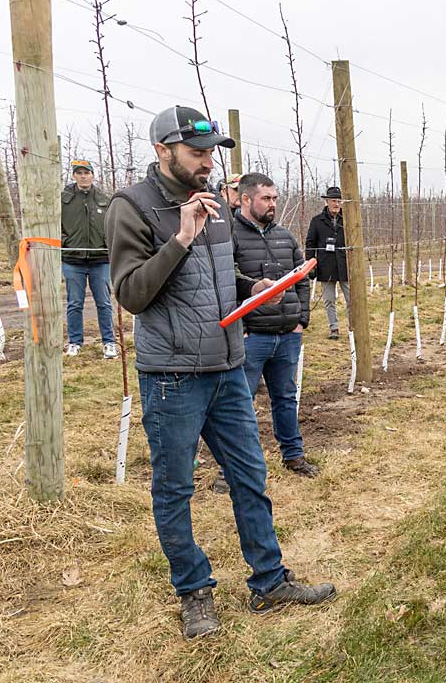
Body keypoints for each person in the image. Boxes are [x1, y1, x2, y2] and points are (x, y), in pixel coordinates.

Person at [105, 105, 335, 640]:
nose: (209, 162)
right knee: (175, 488)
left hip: (229, 367)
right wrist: (181, 236)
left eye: (213, 152)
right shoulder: (131, 208)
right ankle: (194, 592)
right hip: (173, 375)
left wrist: (247, 287)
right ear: (164, 152)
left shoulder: (217, 206)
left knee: (250, 478)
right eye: (198, 152)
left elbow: (216, 275)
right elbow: (133, 294)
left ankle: (270, 581)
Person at [232, 172, 316, 479]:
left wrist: (301, 320)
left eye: (275, 199)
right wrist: (240, 327)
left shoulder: (285, 236)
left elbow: (302, 279)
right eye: (266, 198)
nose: (272, 204)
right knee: (240, 403)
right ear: (245, 199)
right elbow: (225, 284)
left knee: (285, 396)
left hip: (287, 335)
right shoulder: (230, 236)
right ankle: (235, 469)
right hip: (252, 336)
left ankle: (293, 455)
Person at [61, 159, 117, 359]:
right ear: (74, 175)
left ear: (93, 175)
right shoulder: (63, 199)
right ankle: (75, 342)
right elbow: (53, 225)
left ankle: (109, 342)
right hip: (72, 260)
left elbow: (114, 226)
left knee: (104, 303)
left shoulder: (104, 199)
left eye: (87, 172)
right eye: (79, 172)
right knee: (74, 303)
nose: (83, 176)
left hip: (100, 260)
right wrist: (65, 242)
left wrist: (108, 244)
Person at [306, 186, 349, 340]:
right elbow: (310, 243)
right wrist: (310, 264)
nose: (337, 204)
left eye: (339, 201)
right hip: (326, 266)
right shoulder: (317, 221)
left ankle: (353, 327)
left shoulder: (349, 220)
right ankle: (334, 328)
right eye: (333, 200)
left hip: (346, 266)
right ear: (327, 202)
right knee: (329, 300)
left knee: (351, 298)